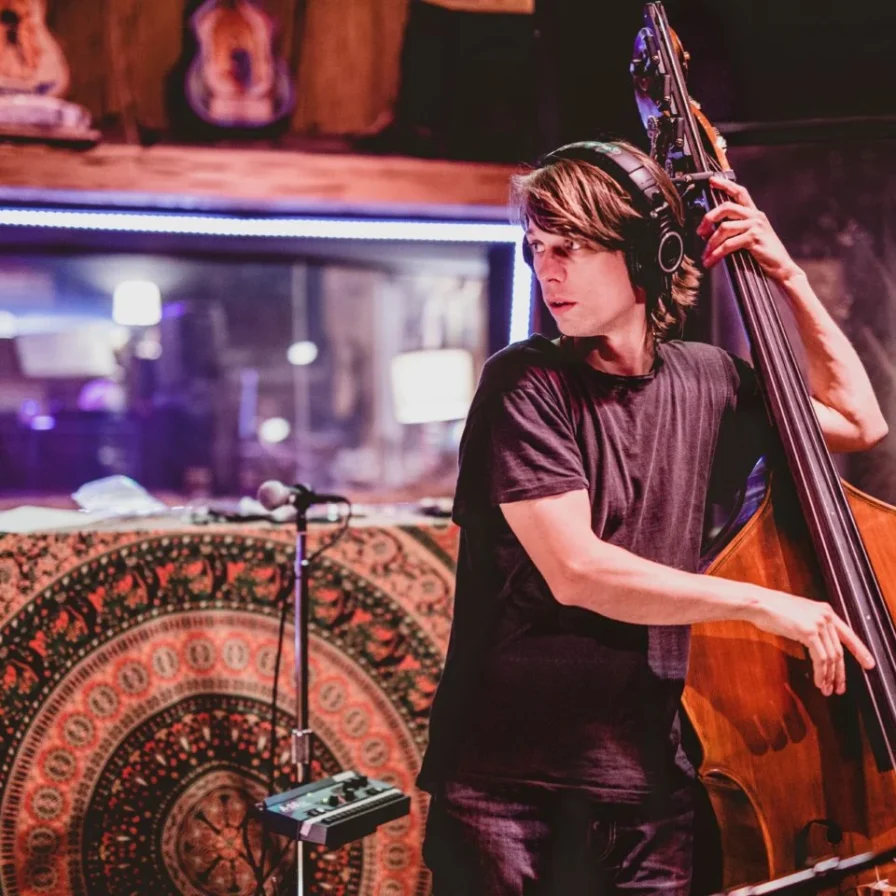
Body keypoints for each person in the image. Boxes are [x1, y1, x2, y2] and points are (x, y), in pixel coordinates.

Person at [417, 139, 887, 895]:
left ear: (649, 253)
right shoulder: (524, 384)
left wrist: (787, 276)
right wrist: (767, 604)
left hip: (652, 784)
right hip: (510, 790)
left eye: (570, 248)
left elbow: (860, 422)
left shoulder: (709, 377)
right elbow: (578, 572)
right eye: (538, 248)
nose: (547, 271)